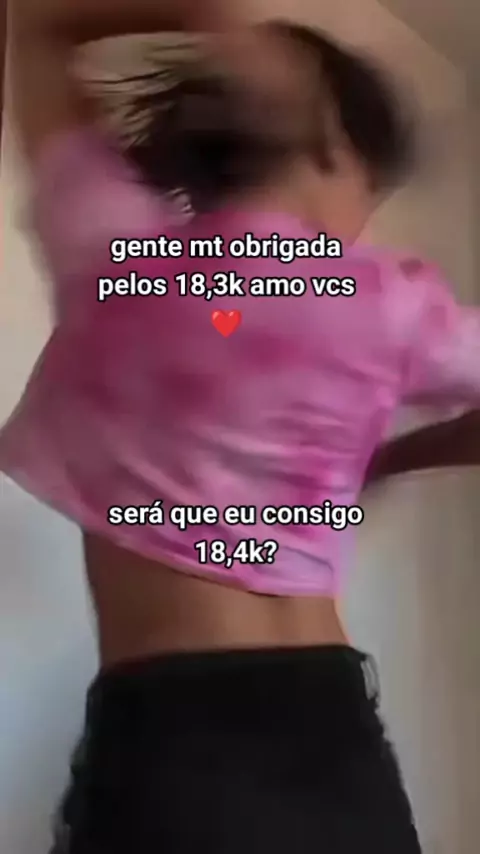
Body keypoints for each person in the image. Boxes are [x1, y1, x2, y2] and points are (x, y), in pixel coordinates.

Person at [2, 2, 479, 852]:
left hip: (175, 731)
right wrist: (393, 458)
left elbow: (36, 29)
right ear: (338, 155)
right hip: (334, 733)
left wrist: (212, 23)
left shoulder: (116, 251)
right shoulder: (388, 301)